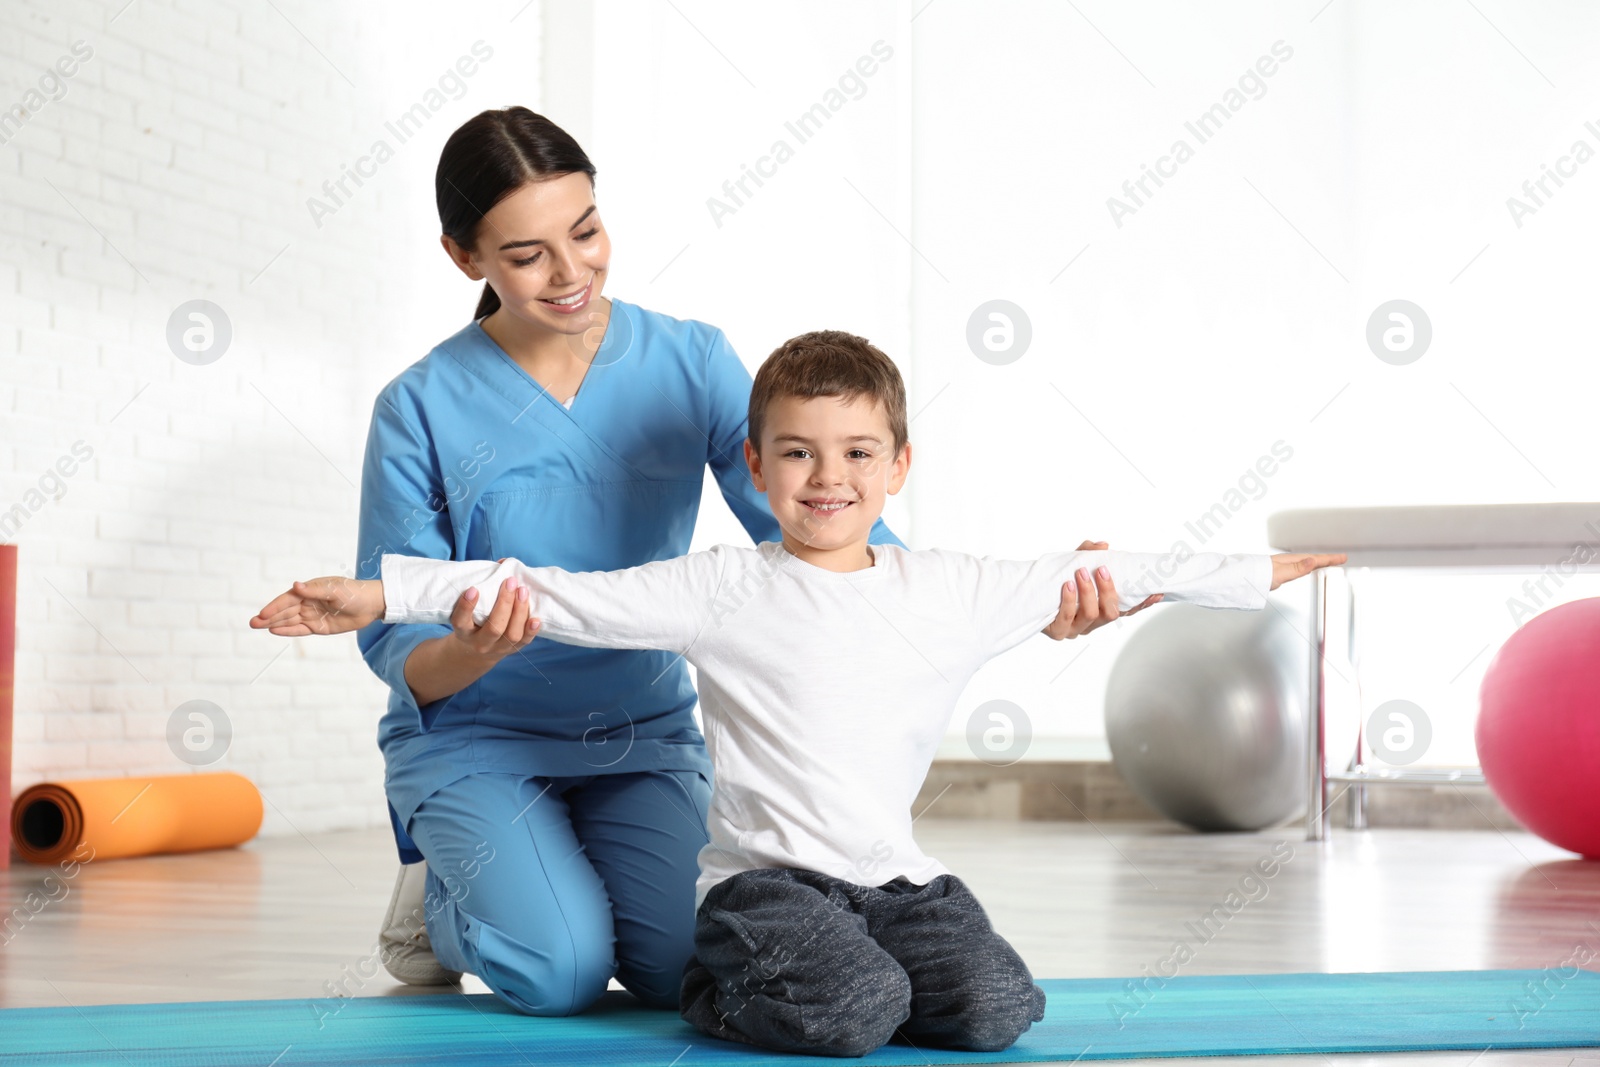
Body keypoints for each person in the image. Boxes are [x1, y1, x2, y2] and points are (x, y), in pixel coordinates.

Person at [255, 330, 1345, 1055]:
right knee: (859, 1006)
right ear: (757, 465)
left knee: (1000, 1006)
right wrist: (370, 591)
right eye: (797, 454)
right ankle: (714, 983)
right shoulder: (721, 587)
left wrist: (1262, 571)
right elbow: (547, 591)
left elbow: (1104, 571)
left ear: (898, 465)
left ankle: (844, 967)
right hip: (767, 886)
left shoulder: (948, 587)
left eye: (856, 452)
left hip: (896, 884)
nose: (828, 478)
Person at [349, 106, 1156, 1012]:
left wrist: (1032, 601)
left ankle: (549, 878)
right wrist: (483, 648)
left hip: (638, 736)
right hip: (477, 737)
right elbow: (394, 639)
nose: (572, 272)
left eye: (585, 231)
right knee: (558, 969)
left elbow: (827, 524)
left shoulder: (688, 361)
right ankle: (440, 899)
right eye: (529, 254)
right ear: (467, 258)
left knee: (686, 963)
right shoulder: (417, 405)